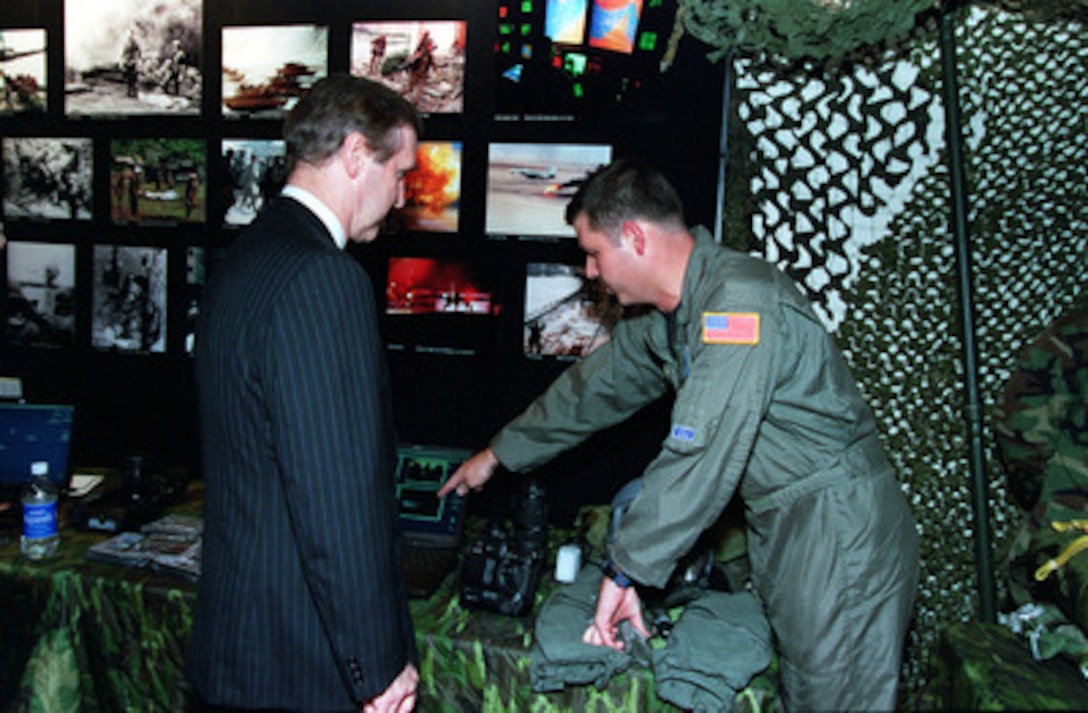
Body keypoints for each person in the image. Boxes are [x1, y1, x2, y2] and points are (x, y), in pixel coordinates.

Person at [439, 159, 920, 711]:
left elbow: (701, 450)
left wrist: (626, 567)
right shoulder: (666, 318)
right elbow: (592, 391)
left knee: (834, 699)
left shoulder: (740, 303)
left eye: (594, 254)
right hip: (788, 524)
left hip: (836, 529)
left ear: (636, 237)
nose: (590, 272)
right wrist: (499, 453)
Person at [187, 74, 422, 713]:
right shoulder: (325, 279)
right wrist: (375, 667)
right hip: (304, 669)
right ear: (353, 156)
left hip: (239, 652)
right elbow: (334, 499)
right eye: (399, 173)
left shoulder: (246, 259)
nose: (402, 197)